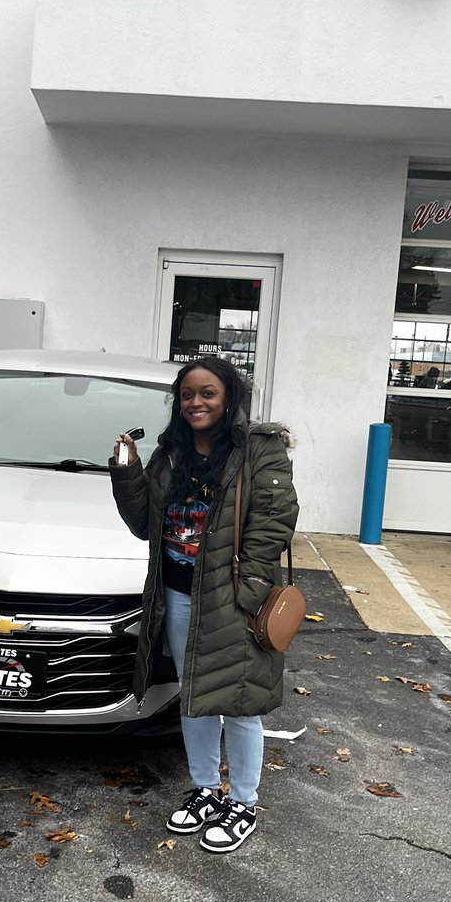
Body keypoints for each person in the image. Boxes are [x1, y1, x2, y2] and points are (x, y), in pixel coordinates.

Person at [109, 357, 298, 854]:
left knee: (239, 703)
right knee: (194, 695)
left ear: (229, 396)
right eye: (188, 394)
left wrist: (249, 591)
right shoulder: (170, 453)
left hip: (234, 597)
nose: (197, 402)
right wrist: (126, 470)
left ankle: (243, 802)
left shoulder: (260, 450)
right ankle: (203, 790)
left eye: (208, 393)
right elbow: (143, 523)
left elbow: (274, 521)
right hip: (175, 592)